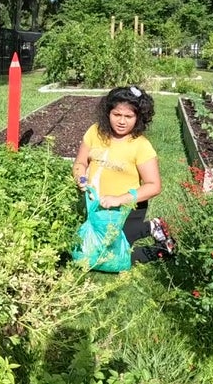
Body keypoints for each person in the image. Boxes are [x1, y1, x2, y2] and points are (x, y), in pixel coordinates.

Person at [72, 86, 176, 263]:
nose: (122, 121)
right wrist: (80, 176)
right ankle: (148, 231)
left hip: (126, 208)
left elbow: (154, 185)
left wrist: (119, 199)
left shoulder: (141, 146)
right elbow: (80, 163)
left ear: (139, 118)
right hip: (96, 204)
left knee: (111, 259)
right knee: (87, 251)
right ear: (108, 113)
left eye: (129, 116)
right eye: (116, 115)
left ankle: (155, 236)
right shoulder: (95, 132)